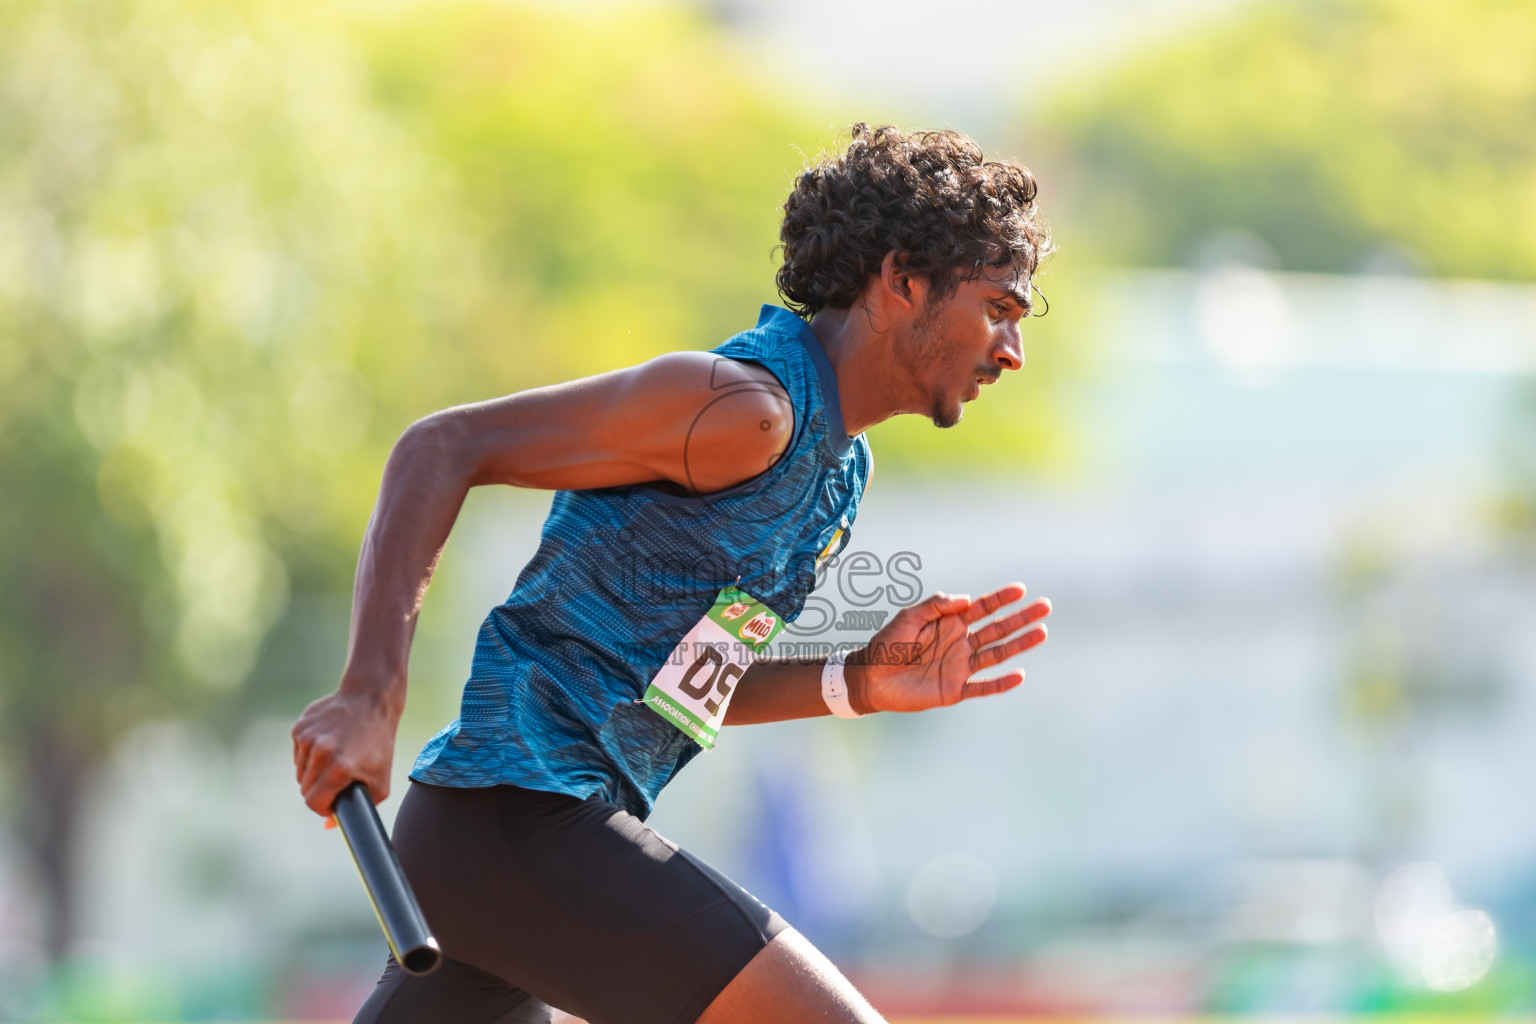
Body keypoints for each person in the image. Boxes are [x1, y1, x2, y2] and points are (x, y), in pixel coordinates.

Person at [291, 123, 1055, 1024]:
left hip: (508, 850)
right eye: (998, 308)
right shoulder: (741, 408)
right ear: (902, 282)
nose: (1012, 350)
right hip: (520, 817)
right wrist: (369, 694)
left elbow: (682, 691)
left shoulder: (839, 473)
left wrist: (859, 683)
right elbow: (443, 444)